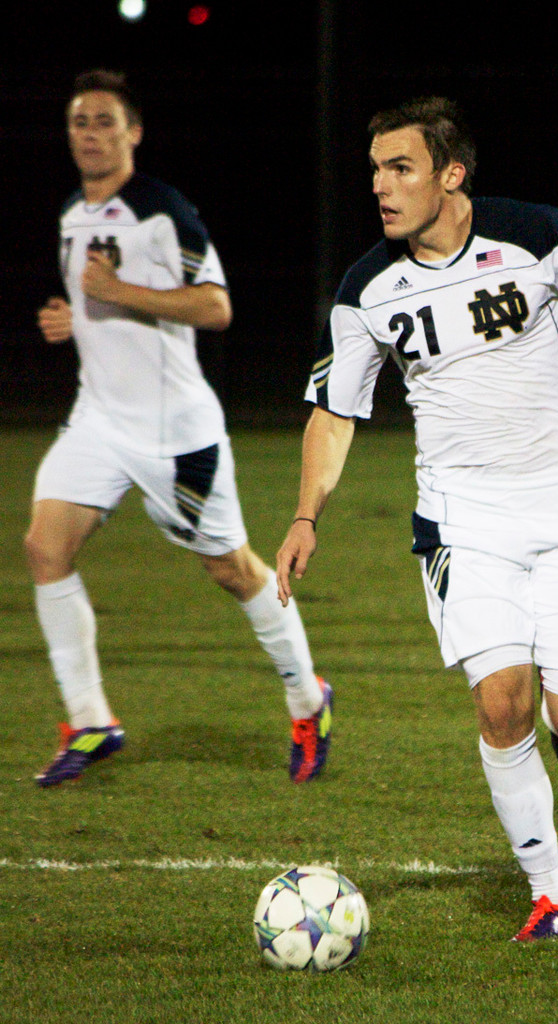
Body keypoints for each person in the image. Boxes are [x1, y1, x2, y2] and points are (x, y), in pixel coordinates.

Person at [276, 96, 558, 942]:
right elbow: (334, 413)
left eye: (400, 167)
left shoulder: (542, 237)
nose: (380, 185)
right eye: (375, 169)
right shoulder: (365, 290)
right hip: (463, 526)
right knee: (500, 703)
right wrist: (307, 514)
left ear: (451, 175)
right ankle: (549, 893)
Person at [26, 69, 331, 788]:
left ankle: (307, 699)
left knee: (231, 568)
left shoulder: (163, 213)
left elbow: (216, 307)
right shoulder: (73, 211)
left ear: (133, 132)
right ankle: (90, 720)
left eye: (104, 121)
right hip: (98, 420)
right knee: (45, 548)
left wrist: (114, 294)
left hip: (173, 434)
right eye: (79, 121)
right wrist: (78, 318)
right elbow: (106, 311)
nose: (90, 134)